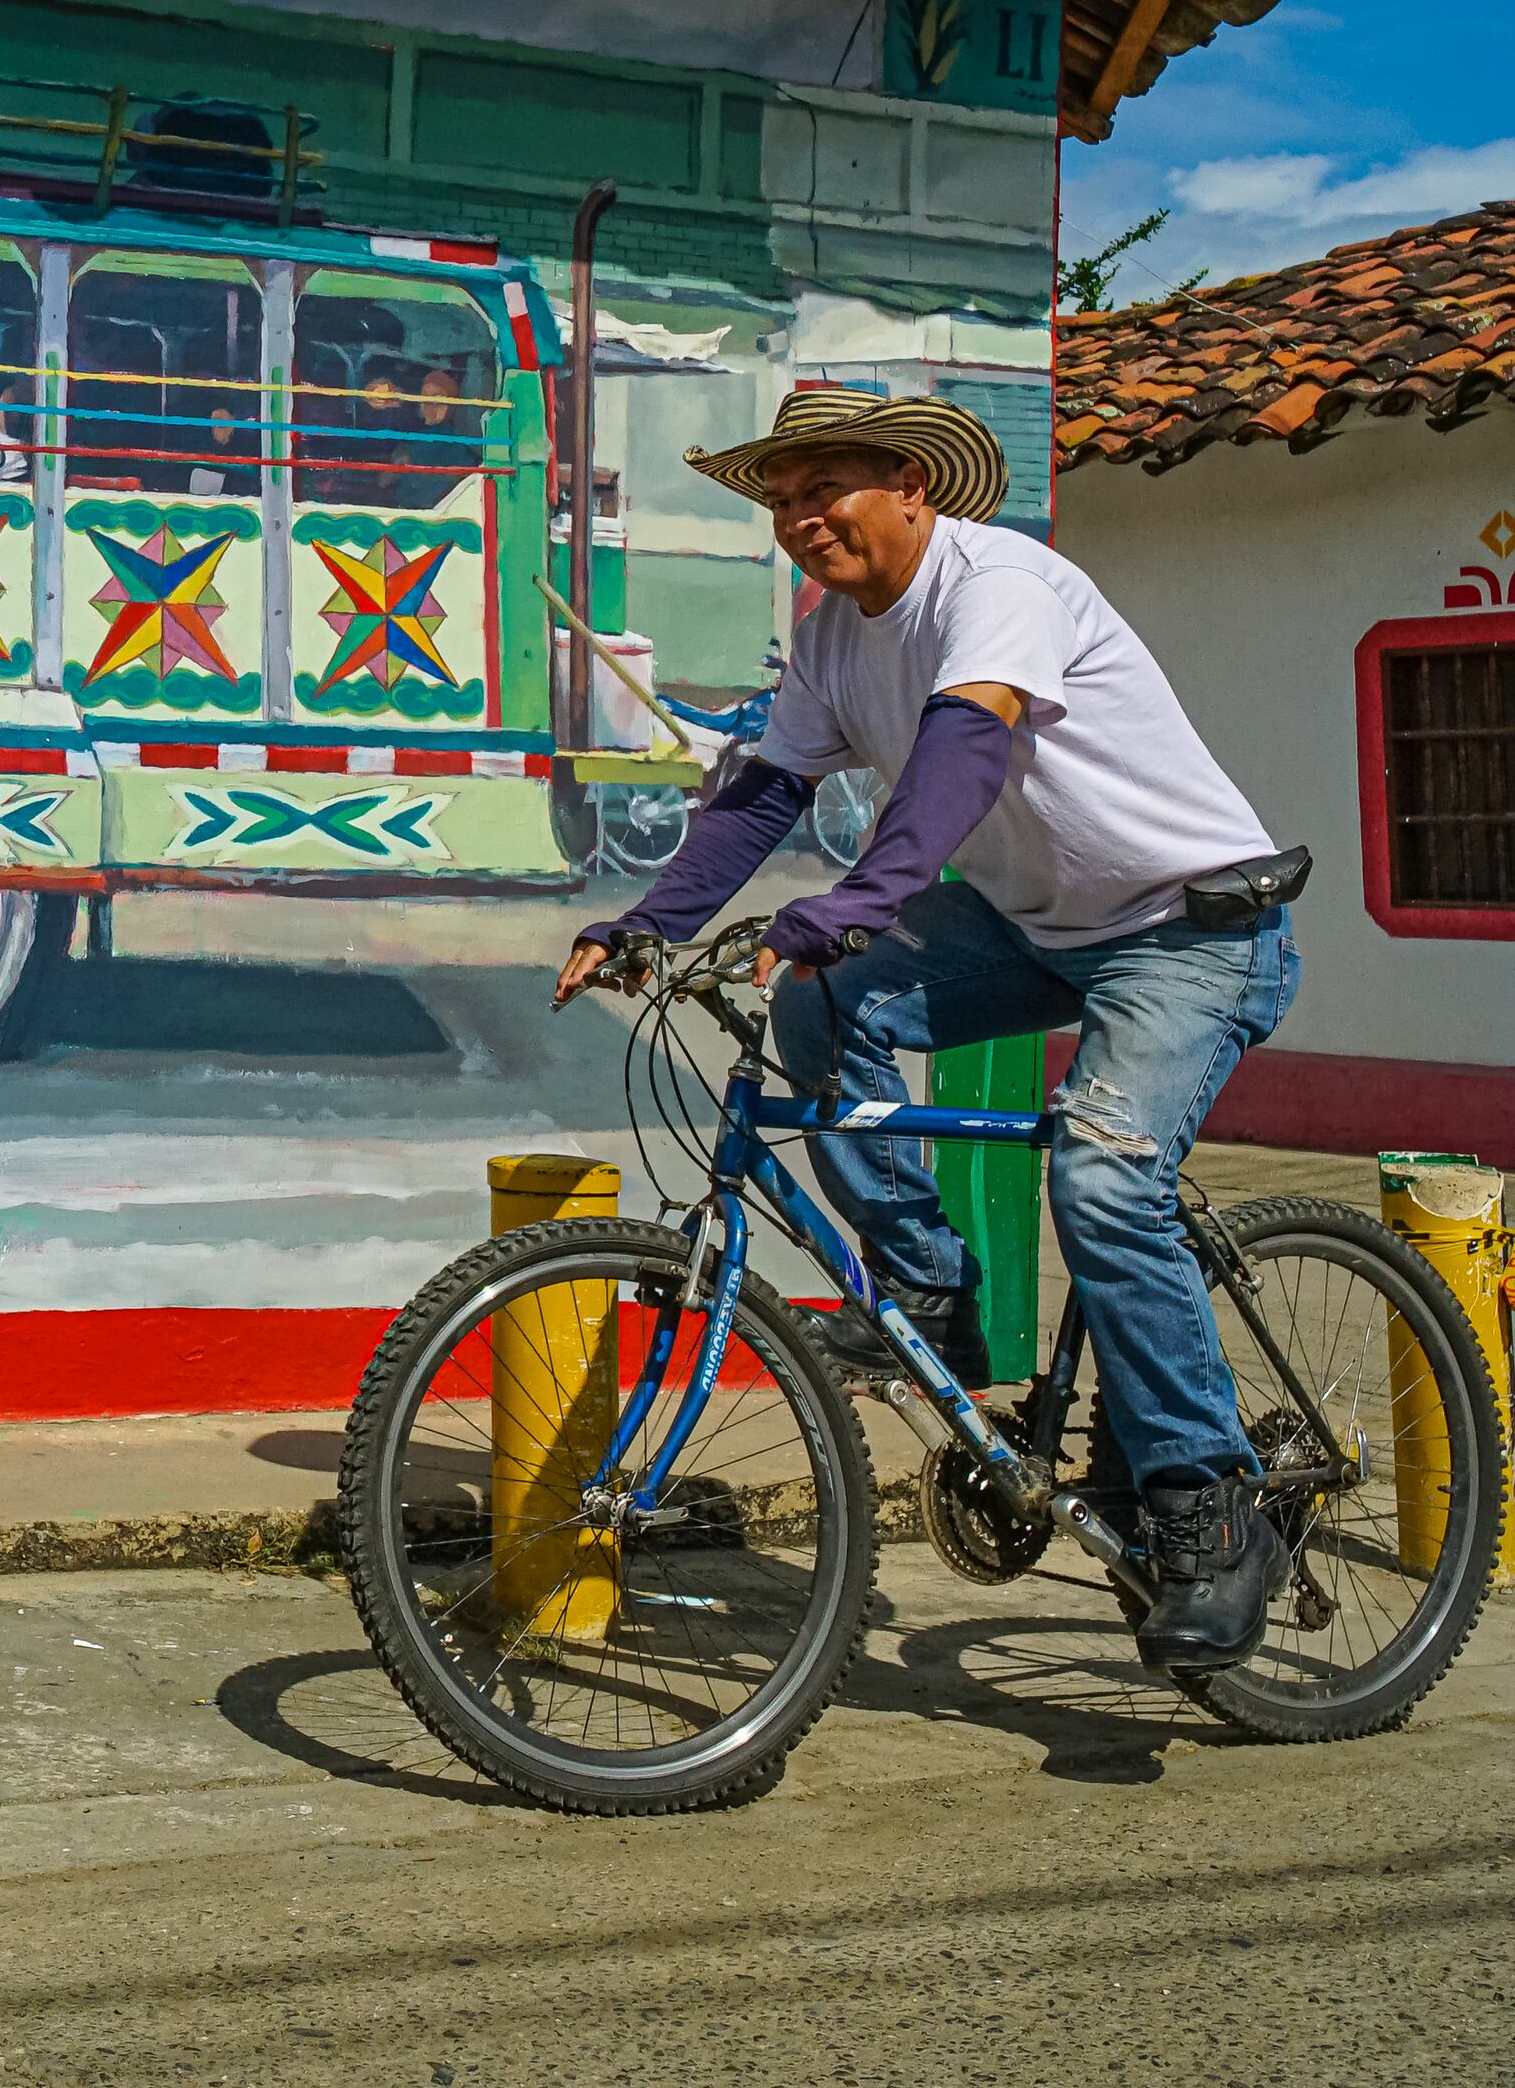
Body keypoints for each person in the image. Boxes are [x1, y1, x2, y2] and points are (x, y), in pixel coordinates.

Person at [553, 384, 1313, 1676]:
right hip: (1042, 932)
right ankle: (933, 1286)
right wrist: (650, 921)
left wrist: (858, 898)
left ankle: (1211, 1511)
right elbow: (761, 797)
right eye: (782, 500)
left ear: (911, 484)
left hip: (1193, 930)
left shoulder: (998, 583)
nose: (800, 519)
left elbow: (964, 755)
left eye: (824, 488)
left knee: (1105, 1176)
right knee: (821, 1003)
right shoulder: (836, 641)